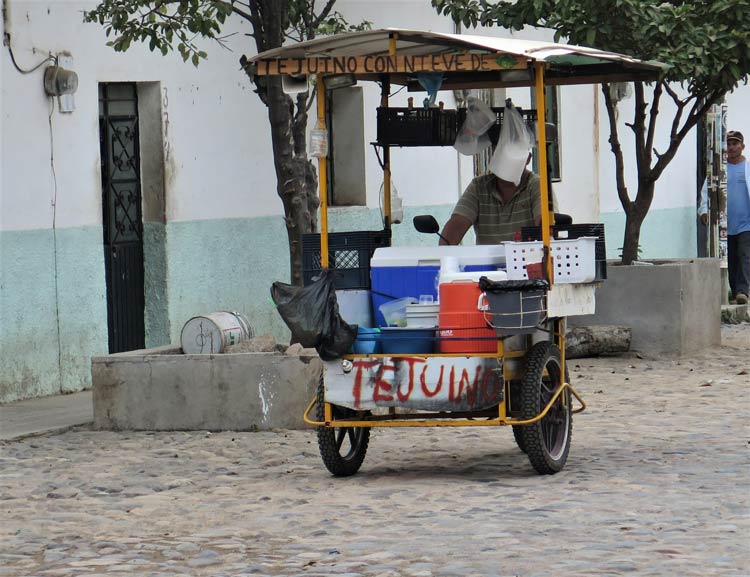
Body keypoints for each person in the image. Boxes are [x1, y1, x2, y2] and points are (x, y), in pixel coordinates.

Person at [439, 153, 557, 246]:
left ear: (528, 159)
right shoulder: (479, 186)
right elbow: (456, 226)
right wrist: (444, 259)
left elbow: (545, 226)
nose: (509, 163)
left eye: (514, 156)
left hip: (529, 267)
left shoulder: (538, 185)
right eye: (505, 156)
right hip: (487, 271)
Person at [698, 130, 750, 305]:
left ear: (742, 146)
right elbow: (707, 191)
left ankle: (743, 291)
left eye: (735, 144)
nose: (732, 147)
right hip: (724, 224)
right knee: (731, 259)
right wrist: (704, 210)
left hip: (746, 224)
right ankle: (736, 292)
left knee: (744, 255)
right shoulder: (719, 169)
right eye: (728, 144)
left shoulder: (748, 168)